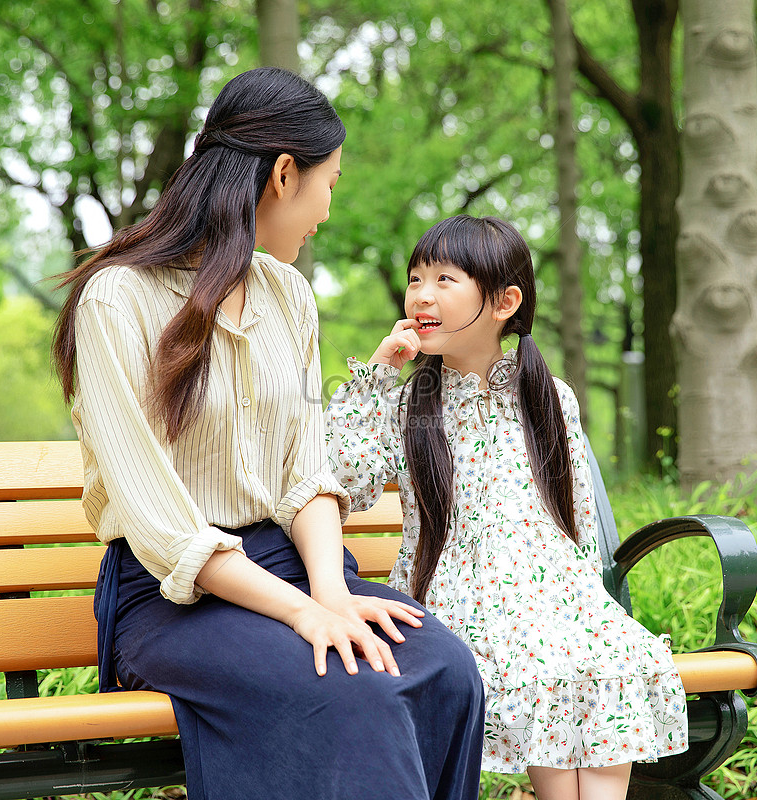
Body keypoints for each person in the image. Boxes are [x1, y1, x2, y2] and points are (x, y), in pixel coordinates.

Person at [51, 68, 484, 800]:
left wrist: (329, 593)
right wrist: (303, 613)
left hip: (293, 568)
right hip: (173, 597)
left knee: (445, 669)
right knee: (354, 692)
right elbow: (162, 526)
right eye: (330, 184)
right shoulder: (118, 299)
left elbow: (306, 474)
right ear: (284, 174)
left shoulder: (289, 295)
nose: (327, 210)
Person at [326, 215, 689, 800]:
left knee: (614, 658)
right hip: (456, 601)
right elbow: (340, 481)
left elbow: (578, 524)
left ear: (504, 302)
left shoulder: (547, 395)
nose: (421, 294)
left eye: (445, 279)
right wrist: (377, 374)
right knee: (548, 664)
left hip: (554, 599)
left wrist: (589, 606)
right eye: (416, 278)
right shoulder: (406, 405)